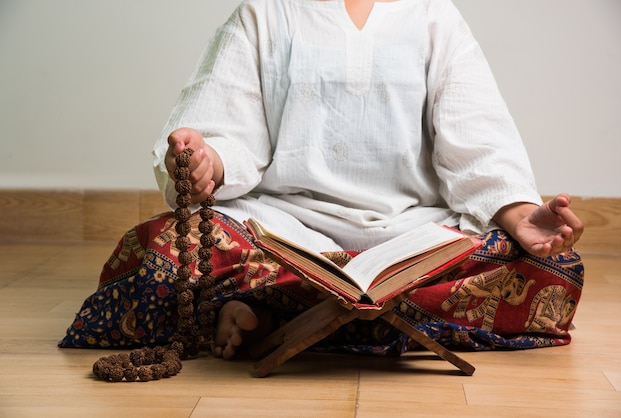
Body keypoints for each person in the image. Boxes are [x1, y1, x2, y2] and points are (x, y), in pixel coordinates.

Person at [60, 0, 585, 363]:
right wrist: (207, 163)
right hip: (282, 229)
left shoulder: (433, 15)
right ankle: (358, 317)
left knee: (550, 268)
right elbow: (228, 132)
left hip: (412, 235)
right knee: (164, 248)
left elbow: (477, 139)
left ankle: (273, 312)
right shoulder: (264, 11)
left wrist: (519, 214)